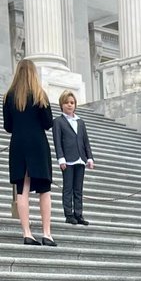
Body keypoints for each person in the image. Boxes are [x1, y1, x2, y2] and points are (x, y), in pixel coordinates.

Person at [2, 58, 56, 246]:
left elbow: (7, 126)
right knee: (44, 189)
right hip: (37, 143)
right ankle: (47, 233)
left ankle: (27, 232)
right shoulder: (40, 94)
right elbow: (48, 123)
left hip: (18, 143)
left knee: (22, 189)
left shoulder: (9, 96)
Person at [52, 89, 94, 226]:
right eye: (66, 102)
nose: (70, 105)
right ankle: (69, 214)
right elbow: (57, 141)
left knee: (78, 188)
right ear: (61, 104)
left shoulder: (80, 122)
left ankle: (79, 214)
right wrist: (61, 158)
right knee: (68, 187)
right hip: (68, 160)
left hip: (80, 158)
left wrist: (90, 157)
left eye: (72, 102)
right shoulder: (58, 121)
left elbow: (85, 141)